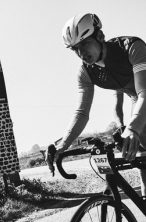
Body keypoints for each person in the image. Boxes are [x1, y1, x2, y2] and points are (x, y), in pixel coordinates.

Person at [46, 13, 146, 195]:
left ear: (100, 36)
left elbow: (144, 92)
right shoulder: (86, 73)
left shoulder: (132, 47)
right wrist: (63, 145)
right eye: (75, 49)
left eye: (84, 44)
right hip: (139, 104)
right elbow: (81, 113)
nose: (81, 53)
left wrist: (132, 129)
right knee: (143, 165)